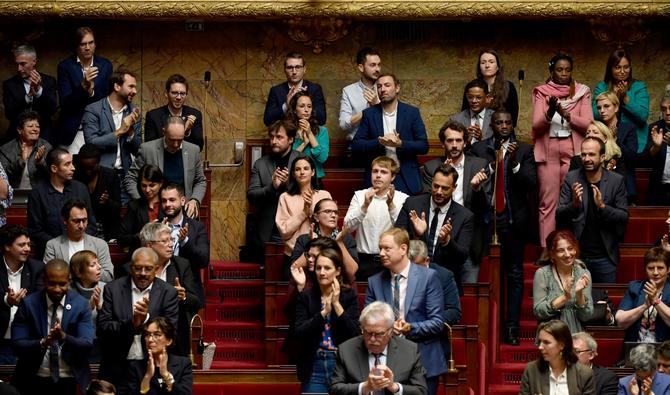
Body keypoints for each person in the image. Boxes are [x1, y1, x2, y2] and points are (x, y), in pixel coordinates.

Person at [470, 109, 537, 344]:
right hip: (486, 221)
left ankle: (511, 328)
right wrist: (490, 166)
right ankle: (488, 326)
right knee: (486, 274)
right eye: (499, 122)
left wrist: (515, 163)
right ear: (492, 125)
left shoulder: (525, 149)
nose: (504, 126)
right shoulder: (479, 149)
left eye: (508, 122)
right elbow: (472, 185)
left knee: (515, 275)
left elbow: (531, 184)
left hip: (512, 220)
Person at [365, 228, 446, 395]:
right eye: (380, 248)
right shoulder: (374, 282)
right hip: (387, 362)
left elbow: (437, 322)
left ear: (403, 249)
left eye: (387, 248)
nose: (381, 253)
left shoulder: (428, 277)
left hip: (423, 359)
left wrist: (410, 327)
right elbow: (367, 321)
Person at [532, 52, 593, 249]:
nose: (564, 73)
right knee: (547, 200)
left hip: (572, 148)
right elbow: (536, 126)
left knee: (571, 201)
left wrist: (566, 114)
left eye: (567, 70)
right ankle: (547, 248)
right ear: (551, 70)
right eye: (559, 69)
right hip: (548, 148)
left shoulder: (582, 91)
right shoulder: (541, 92)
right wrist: (550, 112)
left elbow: (587, 124)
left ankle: (570, 247)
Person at [97, 247, 179, 387]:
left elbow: (170, 330)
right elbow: (103, 328)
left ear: (157, 268)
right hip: (116, 366)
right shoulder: (113, 289)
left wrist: (145, 319)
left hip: (151, 365)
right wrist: (133, 323)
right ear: (130, 267)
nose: (142, 273)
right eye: (138, 268)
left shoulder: (168, 292)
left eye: (148, 269)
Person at [11, 258, 94, 394]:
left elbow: (87, 344)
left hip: (70, 379)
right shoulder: (29, 304)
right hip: (34, 378)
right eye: (52, 284)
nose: (57, 289)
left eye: (62, 284)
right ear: (44, 280)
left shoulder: (81, 305)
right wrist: (43, 343)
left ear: (69, 281)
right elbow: (17, 344)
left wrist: (64, 337)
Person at [420, 121, 490, 282]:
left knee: (468, 293)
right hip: (438, 239)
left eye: (458, 140)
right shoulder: (431, 167)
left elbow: (486, 207)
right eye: (450, 140)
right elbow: (426, 202)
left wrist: (476, 188)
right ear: (443, 144)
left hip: (469, 241)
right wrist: (442, 176)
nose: (454, 145)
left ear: (465, 143)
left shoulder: (479, 165)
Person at [556, 137, 628, 283]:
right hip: (576, 257)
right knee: (576, 303)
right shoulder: (571, 178)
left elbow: (623, 217)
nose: (587, 158)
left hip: (605, 257)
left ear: (602, 157)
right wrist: (574, 204)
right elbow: (559, 214)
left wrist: (602, 206)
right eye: (583, 154)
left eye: (591, 154)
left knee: (604, 302)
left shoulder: (616, 181)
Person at [395, 164, 474, 289]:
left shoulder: (464, 216)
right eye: (436, 186)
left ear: (454, 188)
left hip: (445, 283)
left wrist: (447, 241)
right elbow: (397, 240)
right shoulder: (412, 204)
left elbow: (462, 256)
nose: (439, 192)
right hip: (411, 278)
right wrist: (417, 235)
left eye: (445, 188)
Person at [292, 247, 359, 393]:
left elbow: (354, 333)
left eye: (327, 268)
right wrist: (324, 312)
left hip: (342, 365)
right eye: (318, 268)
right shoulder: (306, 296)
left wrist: (336, 305)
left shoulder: (349, 296)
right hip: (314, 364)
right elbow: (300, 332)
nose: (322, 273)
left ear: (338, 271)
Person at [351, 73, 429, 195]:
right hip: (378, 177)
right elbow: (356, 145)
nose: (382, 89)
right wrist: (379, 142)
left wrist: (401, 144)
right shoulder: (369, 114)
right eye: (379, 86)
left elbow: (423, 146)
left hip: (406, 176)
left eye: (387, 85)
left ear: (397, 88)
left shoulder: (412, 113)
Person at [329, 301, 428, 395]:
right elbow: (334, 390)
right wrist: (365, 387)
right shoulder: (346, 350)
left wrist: (395, 387)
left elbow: (421, 391)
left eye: (379, 334)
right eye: (367, 332)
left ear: (391, 331)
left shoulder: (409, 350)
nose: (372, 339)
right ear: (362, 328)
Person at [134, 222, 202, 358]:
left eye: (171, 239)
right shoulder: (133, 269)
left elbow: (196, 301)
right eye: (165, 241)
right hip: (141, 334)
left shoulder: (181, 265)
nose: (171, 244)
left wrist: (183, 297)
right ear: (149, 245)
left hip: (173, 336)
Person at [124, 116, 205, 219]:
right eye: (172, 140)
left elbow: (200, 180)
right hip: (155, 211)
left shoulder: (193, 150)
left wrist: (195, 200)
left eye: (180, 140)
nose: (176, 145)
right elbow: (130, 178)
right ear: (164, 132)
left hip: (182, 211)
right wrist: (142, 202)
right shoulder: (147, 150)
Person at [344, 156, 409, 280]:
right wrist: (364, 207)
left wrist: (391, 206)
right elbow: (347, 228)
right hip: (362, 260)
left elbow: (403, 231)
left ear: (393, 177)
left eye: (383, 172)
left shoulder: (403, 199)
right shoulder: (359, 196)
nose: (378, 175)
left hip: (391, 260)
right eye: (375, 171)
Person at [245, 119, 299, 263]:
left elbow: (314, 192)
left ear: (291, 139)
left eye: (279, 137)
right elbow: (252, 195)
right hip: (268, 227)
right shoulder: (261, 164)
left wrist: (290, 184)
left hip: (295, 225)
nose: (274, 141)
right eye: (272, 137)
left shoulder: (301, 161)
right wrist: (272, 187)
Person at [82, 69, 141, 198]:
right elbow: (91, 144)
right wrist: (120, 131)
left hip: (126, 177)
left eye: (135, 87)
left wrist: (130, 132)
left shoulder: (134, 112)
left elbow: (138, 150)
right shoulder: (93, 110)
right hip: (101, 176)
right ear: (117, 86)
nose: (135, 91)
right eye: (131, 86)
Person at [28, 147, 95, 257]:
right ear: (54, 168)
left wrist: (79, 243)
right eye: (67, 164)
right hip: (51, 253)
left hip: (81, 251)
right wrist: (61, 245)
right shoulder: (37, 193)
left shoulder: (81, 188)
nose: (73, 168)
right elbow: (35, 230)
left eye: (72, 163)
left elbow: (91, 223)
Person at [57, 26, 113, 149]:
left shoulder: (105, 65)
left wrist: (91, 91)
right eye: (83, 44)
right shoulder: (65, 67)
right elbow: (65, 103)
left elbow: (107, 99)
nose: (87, 48)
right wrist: (83, 87)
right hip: (73, 130)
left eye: (91, 43)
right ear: (76, 46)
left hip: (98, 129)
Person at [408, 239, 461, 361]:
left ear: (427, 260)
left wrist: (426, 324)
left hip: (433, 340)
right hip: (403, 343)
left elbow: (454, 311)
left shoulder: (443, 276)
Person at [532, 230, 594, 334]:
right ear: (552, 254)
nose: (567, 254)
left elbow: (586, 316)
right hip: (551, 336)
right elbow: (538, 312)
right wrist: (565, 297)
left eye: (570, 248)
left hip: (576, 336)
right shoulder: (542, 274)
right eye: (561, 250)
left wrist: (579, 295)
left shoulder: (584, 274)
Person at [0, 225, 43, 364]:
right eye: (22, 245)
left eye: (29, 244)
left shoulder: (37, 268)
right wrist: (7, 300)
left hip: (27, 339)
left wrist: (25, 303)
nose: (28, 249)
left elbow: (41, 299)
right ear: (7, 246)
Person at [275, 155, 331, 261]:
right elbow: (284, 231)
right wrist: (303, 213)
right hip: (293, 254)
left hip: (322, 255)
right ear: (293, 174)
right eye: (297, 169)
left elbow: (330, 227)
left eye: (306, 168)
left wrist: (312, 212)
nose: (302, 172)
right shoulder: (285, 197)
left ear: (313, 172)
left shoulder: (324, 195)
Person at [593, 48, 649, 153]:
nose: (622, 72)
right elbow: (595, 115)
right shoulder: (601, 87)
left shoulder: (639, 87)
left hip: (634, 142)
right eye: (617, 67)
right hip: (606, 141)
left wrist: (625, 99)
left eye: (626, 67)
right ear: (611, 69)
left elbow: (643, 116)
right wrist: (614, 97)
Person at [159, 183, 209, 301]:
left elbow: (203, 261)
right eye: (164, 201)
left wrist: (185, 242)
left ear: (182, 201)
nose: (168, 204)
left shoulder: (197, 227)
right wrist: (159, 236)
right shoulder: (156, 226)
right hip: (160, 288)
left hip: (188, 291)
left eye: (172, 200)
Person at [43, 200, 114, 282]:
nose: (81, 226)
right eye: (76, 221)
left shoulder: (100, 244)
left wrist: (81, 272)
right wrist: (88, 272)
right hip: (65, 292)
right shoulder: (53, 245)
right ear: (65, 221)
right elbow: (49, 275)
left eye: (84, 220)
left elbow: (108, 276)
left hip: (93, 292)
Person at [119, 316, 193, 395]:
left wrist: (166, 375)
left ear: (169, 341)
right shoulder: (135, 366)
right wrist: (147, 377)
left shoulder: (183, 364)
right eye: (147, 335)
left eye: (157, 335)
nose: (150, 340)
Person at [290, 198, 358, 283]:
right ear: (316, 217)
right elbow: (294, 268)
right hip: (310, 285)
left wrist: (340, 243)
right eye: (328, 211)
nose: (333, 215)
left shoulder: (346, 239)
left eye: (336, 212)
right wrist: (312, 244)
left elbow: (352, 271)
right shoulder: (304, 239)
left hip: (338, 285)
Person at [519, 320, 595, 395]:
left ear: (562, 345)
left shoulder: (584, 373)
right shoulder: (532, 370)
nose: (540, 347)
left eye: (546, 342)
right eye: (540, 342)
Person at [2, 44, 57, 144]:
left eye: (23, 64)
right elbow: (9, 114)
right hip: (16, 136)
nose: (19, 68)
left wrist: (39, 90)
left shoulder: (49, 81)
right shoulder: (9, 84)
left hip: (44, 135)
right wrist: (28, 96)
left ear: (34, 62)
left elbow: (52, 110)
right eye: (17, 64)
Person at [616, 247, 670, 343]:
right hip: (636, 350)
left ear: (668, 269)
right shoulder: (635, 288)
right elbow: (620, 321)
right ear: (645, 269)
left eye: (660, 268)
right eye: (651, 268)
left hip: (665, 351)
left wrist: (656, 301)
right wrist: (645, 306)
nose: (656, 272)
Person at [594, 91, 638, 201]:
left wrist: (614, 141)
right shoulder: (595, 128)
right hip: (598, 184)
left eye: (606, 106)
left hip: (624, 185)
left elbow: (632, 158)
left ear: (616, 107)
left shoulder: (628, 128)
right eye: (599, 108)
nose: (602, 111)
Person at [263, 51, 326, 126]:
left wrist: (305, 102)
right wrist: (286, 105)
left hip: (308, 135)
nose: (294, 72)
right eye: (290, 67)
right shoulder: (276, 91)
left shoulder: (315, 89)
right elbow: (267, 120)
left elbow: (322, 119)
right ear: (284, 70)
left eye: (298, 67)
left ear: (304, 69)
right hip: (285, 135)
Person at [460, 49, 519, 127]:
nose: (487, 65)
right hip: (476, 130)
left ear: (498, 66)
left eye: (491, 62)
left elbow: (513, 117)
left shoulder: (508, 86)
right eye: (483, 62)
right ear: (479, 67)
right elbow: (465, 113)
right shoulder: (471, 86)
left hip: (502, 132)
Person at [74, 143, 121, 240]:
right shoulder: (76, 176)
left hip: (107, 228)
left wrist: (108, 202)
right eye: (84, 167)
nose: (88, 172)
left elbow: (118, 206)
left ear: (98, 162)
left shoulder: (110, 176)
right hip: (83, 228)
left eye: (91, 168)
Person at [144, 74, 203, 150]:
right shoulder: (153, 116)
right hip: (162, 160)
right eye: (174, 93)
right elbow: (149, 147)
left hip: (185, 161)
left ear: (186, 95)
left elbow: (199, 147)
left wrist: (187, 132)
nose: (179, 97)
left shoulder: (195, 115)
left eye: (182, 93)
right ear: (166, 93)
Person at [118, 165, 164, 255]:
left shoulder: (168, 203)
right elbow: (121, 239)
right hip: (141, 255)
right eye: (144, 185)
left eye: (152, 185)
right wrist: (141, 235)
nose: (147, 190)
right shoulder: (134, 206)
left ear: (161, 183)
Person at [0, 110, 51, 188]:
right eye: (30, 126)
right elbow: (3, 177)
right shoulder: (6, 150)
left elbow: (54, 174)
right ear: (19, 130)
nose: (35, 129)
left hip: (40, 195)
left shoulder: (46, 147)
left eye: (37, 126)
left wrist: (41, 162)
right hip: (14, 194)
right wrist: (21, 161)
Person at [339, 47, 381, 143]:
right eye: (373, 65)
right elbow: (343, 124)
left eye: (379, 65)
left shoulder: (385, 88)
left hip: (382, 145)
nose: (377, 69)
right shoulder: (348, 91)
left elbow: (393, 118)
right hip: (357, 145)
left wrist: (377, 104)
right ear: (361, 67)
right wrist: (367, 111)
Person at [70, 250, 105, 362]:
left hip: (99, 344)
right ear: (78, 272)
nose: (99, 267)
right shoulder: (68, 291)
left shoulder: (107, 289)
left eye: (98, 263)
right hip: (74, 343)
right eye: (93, 265)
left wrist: (100, 308)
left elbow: (110, 325)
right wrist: (87, 309)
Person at [287, 91, 329, 181]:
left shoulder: (322, 131)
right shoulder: (288, 131)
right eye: (302, 106)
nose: (306, 110)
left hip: (315, 179)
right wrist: (304, 143)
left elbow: (322, 158)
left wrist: (309, 133)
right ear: (294, 110)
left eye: (309, 106)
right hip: (293, 179)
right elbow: (288, 160)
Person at [450, 78, 495, 145]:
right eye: (470, 97)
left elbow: (500, 145)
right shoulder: (455, 119)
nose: (474, 101)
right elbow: (451, 147)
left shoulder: (495, 117)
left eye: (478, 97)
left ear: (487, 98)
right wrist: (465, 141)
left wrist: (482, 139)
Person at [645, 94, 670, 205]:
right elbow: (646, 161)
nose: (668, 113)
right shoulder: (655, 128)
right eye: (664, 109)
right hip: (658, 187)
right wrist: (656, 146)